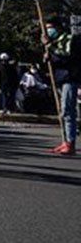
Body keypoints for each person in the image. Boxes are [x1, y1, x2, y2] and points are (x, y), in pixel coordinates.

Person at [44, 17, 79, 156]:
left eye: (50, 27)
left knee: (67, 110)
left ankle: (70, 143)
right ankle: (65, 141)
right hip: (60, 79)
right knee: (63, 111)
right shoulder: (54, 42)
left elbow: (66, 57)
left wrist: (51, 49)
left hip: (69, 78)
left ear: (58, 27)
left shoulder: (69, 39)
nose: (48, 31)